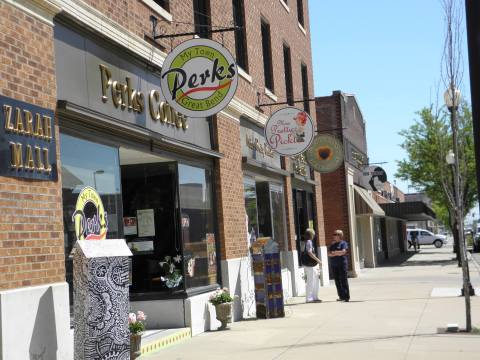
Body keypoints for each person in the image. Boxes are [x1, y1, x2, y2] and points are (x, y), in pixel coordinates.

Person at [328, 229, 350, 302]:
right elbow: (329, 254)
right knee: (337, 281)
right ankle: (341, 296)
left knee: (343, 280)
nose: (333, 236)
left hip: (342, 264)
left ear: (340, 236)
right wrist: (337, 253)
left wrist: (335, 252)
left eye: (335, 234)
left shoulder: (343, 243)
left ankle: (346, 297)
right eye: (334, 234)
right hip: (334, 265)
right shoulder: (332, 245)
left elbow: (343, 252)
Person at [302, 228, 322, 303]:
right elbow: (310, 253)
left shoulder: (306, 242)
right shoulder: (309, 242)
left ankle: (314, 297)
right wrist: (318, 260)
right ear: (312, 235)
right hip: (310, 265)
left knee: (314, 280)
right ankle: (310, 298)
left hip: (308, 264)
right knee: (312, 281)